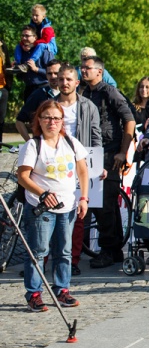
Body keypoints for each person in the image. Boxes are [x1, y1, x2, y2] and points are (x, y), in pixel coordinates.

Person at [18, 100, 89, 312]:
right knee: (38, 251)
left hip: (67, 206)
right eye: (47, 118)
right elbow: (23, 177)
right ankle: (34, 293)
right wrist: (42, 194)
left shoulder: (71, 142)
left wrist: (84, 198)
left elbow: (82, 171)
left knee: (64, 251)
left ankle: (62, 289)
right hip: (41, 208)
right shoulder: (33, 145)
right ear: (39, 120)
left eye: (57, 118)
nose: (52, 122)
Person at [79, 56, 135, 270]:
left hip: (109, 153)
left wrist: (123, 152)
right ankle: (114, 250)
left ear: (99, 71)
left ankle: (107, 250)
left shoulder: (110, 92)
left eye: (87, 68)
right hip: (90, 152)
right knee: (103, 203)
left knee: (104, 203)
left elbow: (129, 120)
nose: (83, 71)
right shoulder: (84, 93)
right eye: (82, 67)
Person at [55, 66, 102, 276]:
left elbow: (96, 135)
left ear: (76, 83)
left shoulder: (88, 106)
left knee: (78, 215)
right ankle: (44, 259)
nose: (64, 83)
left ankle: (72, 260)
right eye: (61, 79)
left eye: (68, 79)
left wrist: (98, 165)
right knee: (50, 213)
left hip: (80, 162)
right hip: (55, 164)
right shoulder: (50, 105)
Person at [16, 60, 61, 141]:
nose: (53, 76)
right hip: (44, 143)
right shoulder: (39, 94)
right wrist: (29, 142)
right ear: (46, 75)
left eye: (56, 73)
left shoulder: (70, 94)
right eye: (49, 73)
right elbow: (19, 121)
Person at [12, 26, 54, 100]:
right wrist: (16, 69)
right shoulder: (21, 52)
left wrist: (36, 69)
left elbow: (54, 73)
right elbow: (20, 77)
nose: (24, 38)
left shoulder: (44, 52)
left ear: (35, 37)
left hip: (44, 88)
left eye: (27, 36)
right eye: (22, 36)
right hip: (29, 89)